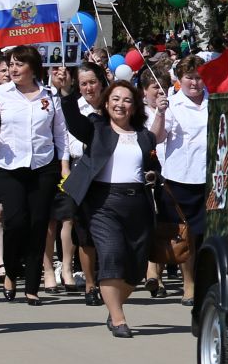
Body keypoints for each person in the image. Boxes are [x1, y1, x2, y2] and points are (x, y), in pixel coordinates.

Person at [65, 80, 158, 338]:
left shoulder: (145, 136)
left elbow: (154, 167)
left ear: (134, 106)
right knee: (112, 255)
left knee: (136, 267)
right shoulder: (98, 129)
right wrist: (66, 92)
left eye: (127, 100)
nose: (120, 104)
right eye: (115, 99)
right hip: (103, 204)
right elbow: (73, 121)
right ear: (106, 104)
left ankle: (113, 305)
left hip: (137, 203)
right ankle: (118, 320)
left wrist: (153, 174)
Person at [0, 45, 69, 305]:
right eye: (11, 64)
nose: (13, 69)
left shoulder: (50, 96)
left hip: (43, 167)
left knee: (39, 225)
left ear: (33, 68)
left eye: (19, 64)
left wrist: (64, 164)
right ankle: (11, 273)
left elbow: (60, 133)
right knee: (15, 222)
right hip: (9, 167)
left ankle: (33, 286)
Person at [149, 60, 209, 303]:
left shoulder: (213, 101)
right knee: (186, 236)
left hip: (210, 177)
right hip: (180, 178)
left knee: (205, 235)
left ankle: (207, 281)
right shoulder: (172, 104)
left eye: (198, 77)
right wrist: (161, 112)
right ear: (180, 79)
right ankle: (189, 283)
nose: (194, 83)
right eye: (189, 78)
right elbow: (157, 137)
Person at [55, 61, 107, 305]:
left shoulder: (115, 103)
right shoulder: (75, 108)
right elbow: (76, 130)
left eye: (92, 82)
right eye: (83, 84)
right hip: (84, 173)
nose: (88, 88)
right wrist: (65, 94)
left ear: (101, 82)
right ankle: (90, 284)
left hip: (116, 176)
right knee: (85, 235)